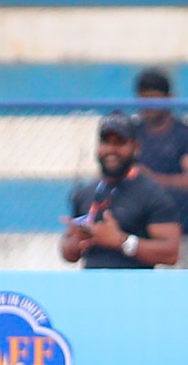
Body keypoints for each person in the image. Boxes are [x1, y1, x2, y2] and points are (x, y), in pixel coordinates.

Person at [60, 112, 181, 269]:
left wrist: (121, 241)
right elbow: (69, 253)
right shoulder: (85, 194)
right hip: (92, 289)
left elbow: (171, 253)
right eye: (106, 142)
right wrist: (75, 242)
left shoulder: (152, 194)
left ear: (135, 146)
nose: (111, 149)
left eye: (120, 143)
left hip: (134, 290)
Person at [132, 68, 188, 248]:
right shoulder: (132, 133)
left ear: (169, 98)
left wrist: (153, 179)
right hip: (139, 226)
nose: (148, 105)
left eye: (153, 99)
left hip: (181, 225)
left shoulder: (186, 135)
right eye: (143, 99)